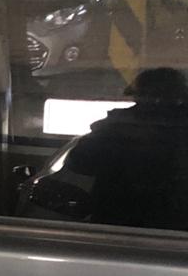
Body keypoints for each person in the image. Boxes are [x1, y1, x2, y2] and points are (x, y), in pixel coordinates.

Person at [62, 66, 188, 231]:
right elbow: (79, 161)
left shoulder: (118, 126)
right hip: (164, 226)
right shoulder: (117, 126)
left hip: (119, 224)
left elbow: (78, 162)